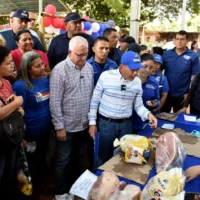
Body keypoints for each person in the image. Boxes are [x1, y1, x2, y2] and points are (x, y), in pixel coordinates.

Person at [88, 51, 157, 169]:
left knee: (127, 157)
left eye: (137, 70)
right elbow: (94, 101)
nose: (135, 73)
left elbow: (138, 106)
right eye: (132, 70)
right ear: (122, 67)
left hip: (126, 125)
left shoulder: (137, 82)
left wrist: (148, 114)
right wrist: (92, 123)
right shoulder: (106, 76)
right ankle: (98, 181)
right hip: (106, 124)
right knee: (103, 157)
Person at [50, 36, 94, 198]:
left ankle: (75, 189)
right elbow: (54, 102)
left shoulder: (88, 68)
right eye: (79, 55)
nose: (83, 58)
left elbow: (90, 96)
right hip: (66, 127)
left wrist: (91, 122)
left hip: (83, 125)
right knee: (63, 160)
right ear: (70, 52)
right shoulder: (59, 70)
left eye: (86, 54)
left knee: (78, 158)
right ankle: (60, 193)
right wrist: (59, 127)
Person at [12, 51, 51, 190]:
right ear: (28, 68)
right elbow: (17, 113)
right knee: (31, 162)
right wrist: (22, 137)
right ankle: (32, 189)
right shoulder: (20, 86)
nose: (42, 68)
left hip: (45, 130)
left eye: (42, 64)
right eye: (37, 66)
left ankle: (42, 184)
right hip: (30, 133)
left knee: (42, 158)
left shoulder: (46, 81)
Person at [0, 46, 24, 198]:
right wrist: (16, 103)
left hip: (9, 139)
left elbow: (15, 110)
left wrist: (17, 109)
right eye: (8, 63)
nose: (12, 66)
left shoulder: (6, 83)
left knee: (8, 176)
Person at [162, 30, 200, 113]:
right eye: (177, 39)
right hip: (166, 94)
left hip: (182, 95)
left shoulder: (193, 56)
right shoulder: (166, 54)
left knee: (179, 121)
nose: (179, 41)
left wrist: (189, 94)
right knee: (162, 119)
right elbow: (159, 71)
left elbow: (195, 78)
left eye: (182, 39)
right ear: (174, 41)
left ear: (187, 41)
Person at [132, 53, 160, 131]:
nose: (147, 70)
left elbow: (157, 100)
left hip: (144, 121)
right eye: (145, 66)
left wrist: (154, 103)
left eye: (151, 68)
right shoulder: (130, 79)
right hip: (128, 120)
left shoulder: (154, 82)